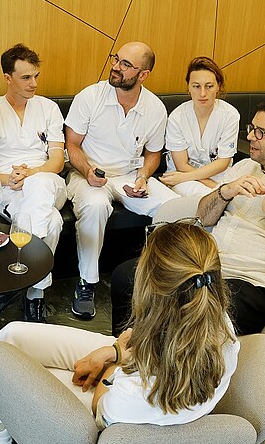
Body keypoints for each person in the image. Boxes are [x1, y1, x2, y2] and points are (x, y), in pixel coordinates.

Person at [0, 221, 239, 444]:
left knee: (6, 365)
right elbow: (152, 339)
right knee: (11, 337)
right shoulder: (212, 316)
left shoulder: (140, 390)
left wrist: (114, 363)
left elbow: (103, 407)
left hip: (99, 416)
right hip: (131, 360)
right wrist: (116, 351)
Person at [111, 100, 265, 336]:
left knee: (188, 315)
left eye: (260, 132)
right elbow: (204, 217)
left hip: (254, 282)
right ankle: (125, 359)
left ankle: (165, 366)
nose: (251, 137)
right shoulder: (244, 167)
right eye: (251, 128)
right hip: (205, 265)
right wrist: (225, 192)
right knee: (126, 277)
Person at [64, 41, 179, 319]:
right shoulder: (90, 97)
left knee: (177, 209)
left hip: (129, 175)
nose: (116, 66)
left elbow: (153, 153)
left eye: (126, 64)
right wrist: (88, 170)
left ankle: (162, 285)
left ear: (144, 74)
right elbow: (72, 145)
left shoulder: (155, 108)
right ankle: (86, 283)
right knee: (95, 207)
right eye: (117, 59)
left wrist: (143, 178)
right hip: (87, 173)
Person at [0, 44, 66, 322]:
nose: (34, 83)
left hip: (49, 180)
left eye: (36, 76)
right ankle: (34, 294)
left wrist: (33, 173)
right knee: (53, 222)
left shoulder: (48, 108)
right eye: (26, 77)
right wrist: (8, 179)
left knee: (38, 187)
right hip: (8, 187)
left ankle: (18, 273)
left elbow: (57, 161)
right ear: (7, 78)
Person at [160, 57, 240, 197]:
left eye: (209, 86)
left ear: (218, 86)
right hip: (183, 178)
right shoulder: (176, 118)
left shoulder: (230, 115)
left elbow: (222, 162)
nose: (202, 93)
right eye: (196, 86)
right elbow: (182, 165)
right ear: (189, 87)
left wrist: (218, 186)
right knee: (203, 196)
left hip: (217, 177)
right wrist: (217, 188)